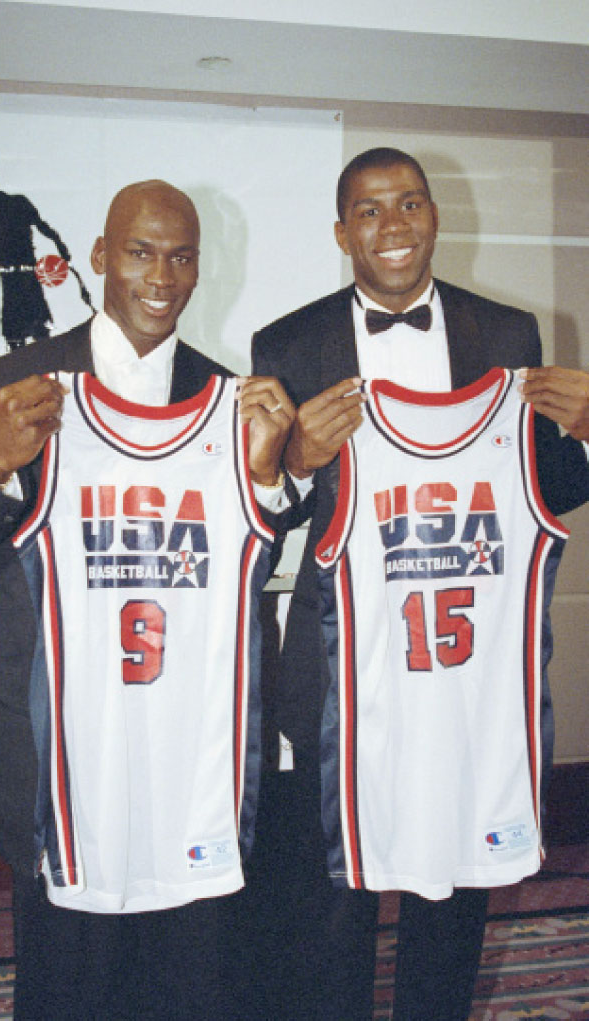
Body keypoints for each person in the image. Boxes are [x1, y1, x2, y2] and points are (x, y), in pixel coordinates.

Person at [0, 179, 292, 1021]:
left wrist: (272, 476)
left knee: (191, 995)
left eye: (181, 255)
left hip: (191, 773)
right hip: (64, 777)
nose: (161, 274)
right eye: (140, 250)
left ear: (200, 271)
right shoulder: (2, 391)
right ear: (98, 258)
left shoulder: (232, 402)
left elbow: (250, 568)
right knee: (66, 998)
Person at [251, 147, 589, 1020]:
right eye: (368, 210)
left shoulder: (509, 335)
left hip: (460, 673)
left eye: (408, 204)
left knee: (452, 897)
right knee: (329, 914)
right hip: (338, 680)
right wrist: (290, 461)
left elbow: (541, 485)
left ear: (436, 217)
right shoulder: (285, 344)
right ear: (340, 232)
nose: (392, 226)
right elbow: (266, 514)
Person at [0, 155, 74, 350]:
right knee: (24, 340)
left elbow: (42, 227)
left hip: (24, 281)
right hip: (14, 283)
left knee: (36, 338)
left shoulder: (14, 204)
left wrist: (60, 246)